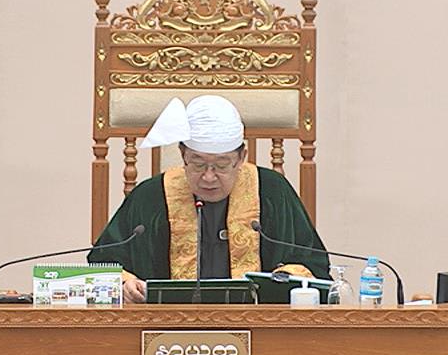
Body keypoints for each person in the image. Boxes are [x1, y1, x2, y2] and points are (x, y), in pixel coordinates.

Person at [90, 95, 328, 303]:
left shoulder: (272, 191)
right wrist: (126, 284)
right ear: (183, 154)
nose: (209, 177)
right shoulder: (151, 196)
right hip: (164, 327)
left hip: (258, 326)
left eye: (222, 165)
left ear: (241, 157)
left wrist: (284, 279)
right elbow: (103, 265)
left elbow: (312, 264)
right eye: (198, 163)